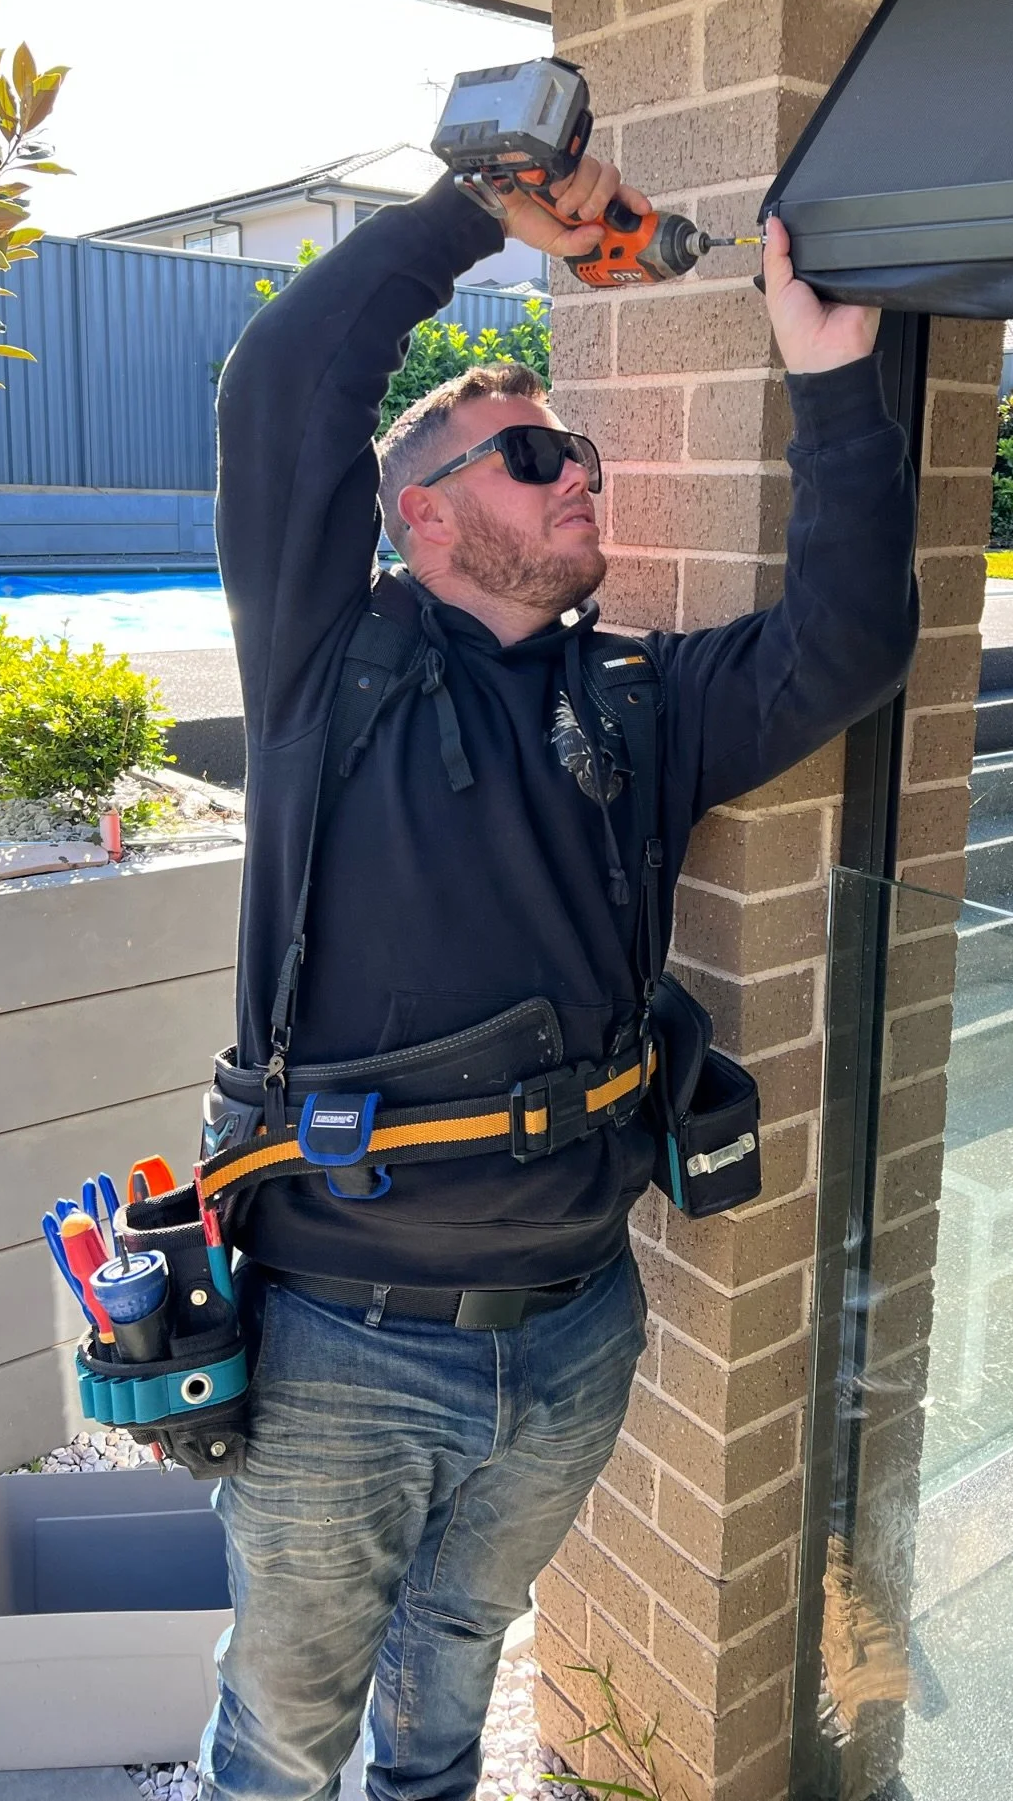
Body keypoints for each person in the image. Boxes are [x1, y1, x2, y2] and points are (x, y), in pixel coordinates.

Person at [200, 151, 917, 1801]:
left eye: (579, 451)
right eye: (534, 458)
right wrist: (476, 220)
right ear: (426, 515)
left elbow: (851, 641)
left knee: (454, 1668)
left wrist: (834, 381)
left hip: (580, 1321)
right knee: (286, 1723)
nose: (578, 474)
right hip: (343, 1337)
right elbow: (289, 383)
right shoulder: (327, 665)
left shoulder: (644, 705)